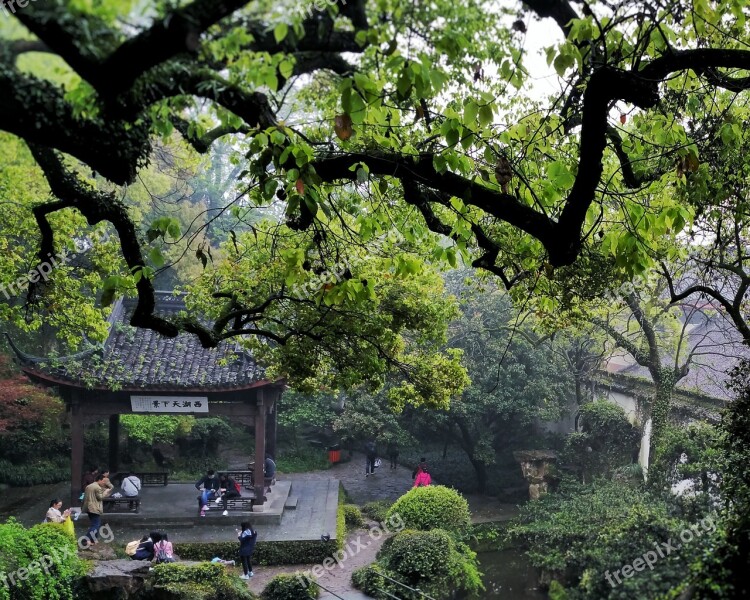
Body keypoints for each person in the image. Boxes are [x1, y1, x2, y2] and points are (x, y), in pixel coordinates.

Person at [81, 473, 111, 544]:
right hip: (94, 508)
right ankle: (86, 539)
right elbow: (100, 497)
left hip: (88, 507)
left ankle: (94, 539)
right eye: (103, 481)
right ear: (99, 480)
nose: (104, 483)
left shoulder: (89, 486)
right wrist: (106, 492)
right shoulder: (97, 487)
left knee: (95, 524)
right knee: (96, 525)